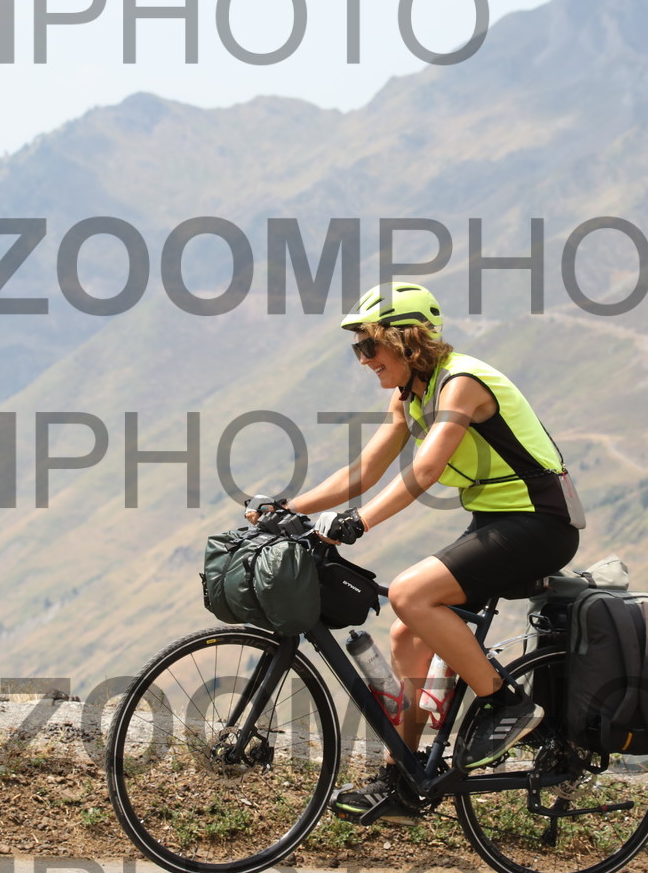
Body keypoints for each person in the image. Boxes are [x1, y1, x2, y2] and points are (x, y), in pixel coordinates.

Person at [249, 282, 583, 825]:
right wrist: (289, 505)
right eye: (358, 349)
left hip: (540, 522)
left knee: (408, 593)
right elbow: (365, 470)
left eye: (369, 346)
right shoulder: (410, 395)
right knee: (408, 632)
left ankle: (506, 703)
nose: (363, 360)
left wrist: (358, 522)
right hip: (497, 520)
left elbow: (425, 471)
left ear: (406, 341)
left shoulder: (461, 384)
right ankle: (403, 781)